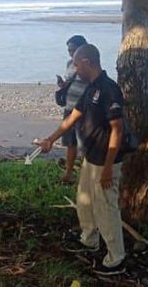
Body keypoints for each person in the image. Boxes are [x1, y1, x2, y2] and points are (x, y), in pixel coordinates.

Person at [39, 44, 127, 276]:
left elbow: (117, 130)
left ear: (87, 62)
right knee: (85, 202)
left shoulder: (109, 90)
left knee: (106, 208)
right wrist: (50, 139)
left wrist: (108, 168)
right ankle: (89, 239)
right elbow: (72, 118)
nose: (75, 68)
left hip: (105, 161)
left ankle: (116, 258)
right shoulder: (90, 89)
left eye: (77, 64)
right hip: (90, 158)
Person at [56, 35, 88, 184]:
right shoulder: (70, 63)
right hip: (70, 106)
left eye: (73, 50)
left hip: (84, 109)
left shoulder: (87, 64)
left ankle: (84, 175)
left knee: (84, 144)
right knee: (70, 143)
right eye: (69, 51)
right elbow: (68, 81)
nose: (71, 54)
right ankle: (68, 173)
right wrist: (62, 84)